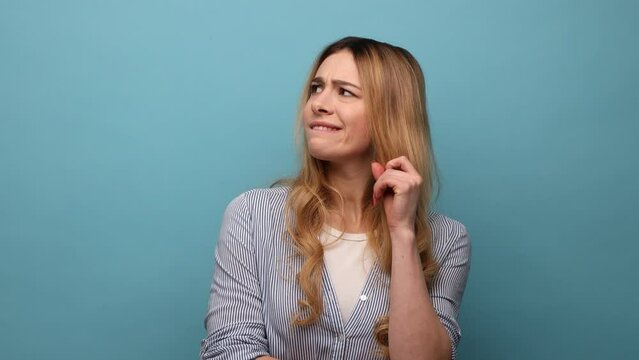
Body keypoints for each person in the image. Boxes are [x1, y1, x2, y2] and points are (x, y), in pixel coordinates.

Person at [200, 36, 471, 360]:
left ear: (390, 113)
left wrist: (402, 233)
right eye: (317, 87)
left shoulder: (447, 240)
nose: (318, 103)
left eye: (344, 92)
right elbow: (229, 349)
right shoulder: (252, 215)